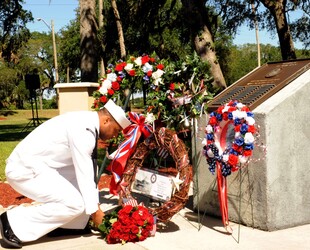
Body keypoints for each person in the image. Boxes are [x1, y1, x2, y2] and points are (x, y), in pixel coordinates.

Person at [0, 100, 131, 249]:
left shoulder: (86, 122)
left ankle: (70, 225)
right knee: (74, 203)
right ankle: (14, 223)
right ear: (106, 120)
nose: (115, 135)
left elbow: (88, 174)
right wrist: (96, 213)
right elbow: (84, 171)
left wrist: (94, 206)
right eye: (116, 130)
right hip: (24, 170)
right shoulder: (84, 129)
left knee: (84, 194)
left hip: (41, 166)